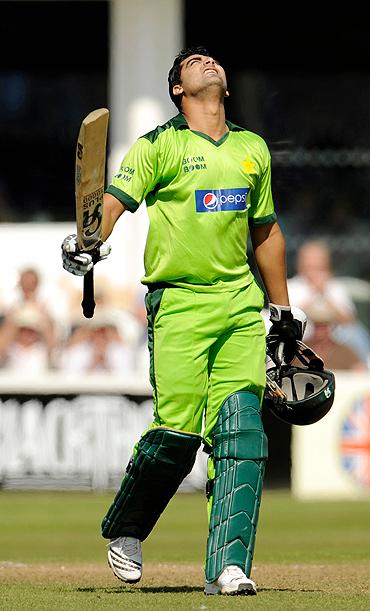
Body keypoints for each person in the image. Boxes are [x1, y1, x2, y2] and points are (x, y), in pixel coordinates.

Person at [61, 46, 305, 596]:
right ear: (178, 89)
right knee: (175, 435)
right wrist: (83, 245)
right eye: (195, 62)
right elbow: (111, 208)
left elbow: (265, 232)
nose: (209, 62)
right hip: (179, 303)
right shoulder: (157, 147)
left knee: (242, 434)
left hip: (241, 304)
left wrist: (284, 308)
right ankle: (127, 527)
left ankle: (229, 566)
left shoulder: (252, 148)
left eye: (214, 59)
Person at [288, 239, 370, 366]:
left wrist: (324, 293)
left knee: (357, 333)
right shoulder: (292, 286)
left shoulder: (334, 287)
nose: (313, 269)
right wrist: (312, 294)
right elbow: (290, 319)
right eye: (309, 264)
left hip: (333, 339)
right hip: (303, 337)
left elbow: (348, 321)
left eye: (318, 264)